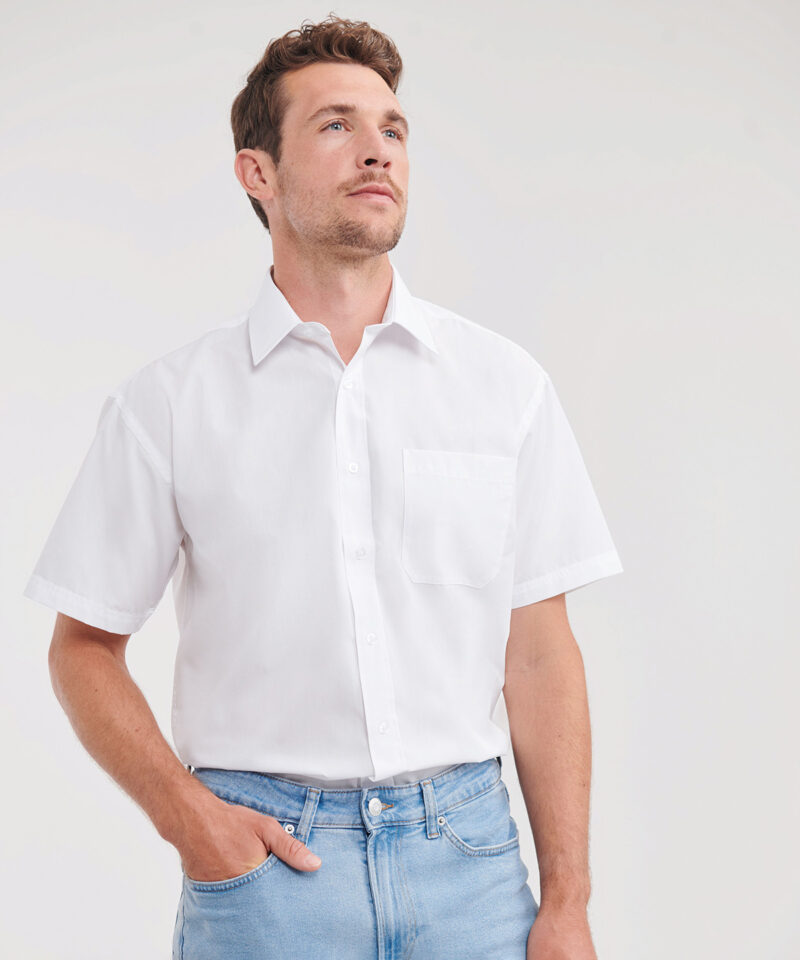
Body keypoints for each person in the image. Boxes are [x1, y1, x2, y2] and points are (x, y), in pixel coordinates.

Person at [23, 14, 623, 960]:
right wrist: (191, 820)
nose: (378, 150)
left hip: (471, 867)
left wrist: (569, 901)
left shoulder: (504, 387)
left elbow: (541, 653)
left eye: (393, 128)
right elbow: (83, 647)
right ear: (257, 173)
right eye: (336, 125)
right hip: (266, 871)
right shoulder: (170, 404)